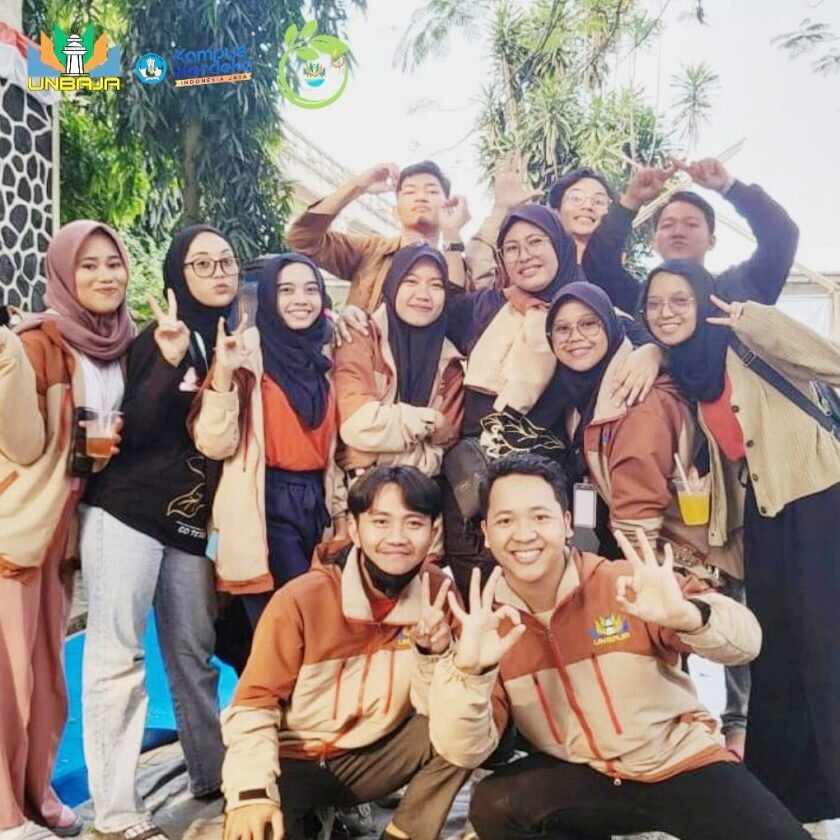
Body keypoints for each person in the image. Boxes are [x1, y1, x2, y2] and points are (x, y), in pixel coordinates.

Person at [427, 454, 811, 840]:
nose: (524, 534)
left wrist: (687, 615)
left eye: (540, 517)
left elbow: (746, 642)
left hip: (680, 764)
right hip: (586, 776)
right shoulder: (487, 626)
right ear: (486, 532)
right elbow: (463, 750)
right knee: (494, 804)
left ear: (566, 523)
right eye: (505, 520)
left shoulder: (625, 583)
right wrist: (470, 673)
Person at [640, 259, 840, 827]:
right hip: (767, 517)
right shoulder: (690, 368)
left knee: (827, 650)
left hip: (819, 498)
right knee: (775, 656)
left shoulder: (747, 337)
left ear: (705, 301)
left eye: (680, 299)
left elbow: (831, 361)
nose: (666, 312)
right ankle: (791, 806)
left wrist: (757, 320)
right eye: (655, 303)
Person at [80, 225, 238, 840]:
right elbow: (134, 431)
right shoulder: (162, 337)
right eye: (202, 264)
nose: (218, 273)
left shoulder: (232, 340)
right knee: (118, 657)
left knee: (193, 651)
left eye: (226, 261)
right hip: (128, 512)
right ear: (179, 275)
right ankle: (116, 814)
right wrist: (168, 361)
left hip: (188, 521)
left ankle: (212, 773)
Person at [220, 466, 471, 840]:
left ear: (434, 532)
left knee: (467, 725)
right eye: (380, 522)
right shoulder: (302, 599)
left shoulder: (439, 595)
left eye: (414, 523)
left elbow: (447, 708)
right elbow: (254, 703)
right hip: (295, 762)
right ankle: (315, 815)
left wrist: (434, 654)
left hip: (376, 756)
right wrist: (251, 792)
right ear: (354, 528)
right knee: (256, 825)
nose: (397, 538)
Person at [0, 221, 134, 840]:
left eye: (113, 263)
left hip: (69, 530)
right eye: (88, 265)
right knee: (9, 675)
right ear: (62, 274)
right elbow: (24, 446)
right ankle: (5, 812)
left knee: (48, 674)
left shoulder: (123, 342)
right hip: (20, 525)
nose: (105, 276)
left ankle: (36, 793)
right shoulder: (36, 344)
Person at [543, 281, 742, 573]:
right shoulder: (581, 395)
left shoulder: (636, 402)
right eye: (562, 329)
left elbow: (638, 522)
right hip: (639, 547)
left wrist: (637, 583)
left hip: (676, 564)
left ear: (610, 326)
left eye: (589, 324)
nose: (575, 337)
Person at [190, 253, 346, 627]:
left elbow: (332, 453)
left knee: (311, 622)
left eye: (310, 290)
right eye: (286, 290)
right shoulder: (246, 353)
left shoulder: (325, 359)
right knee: (292, 623)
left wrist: (340, 512)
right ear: (269, 297)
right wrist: (224, 377)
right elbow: (213, 443)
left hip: (315, 505)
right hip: (265, 502)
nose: (300, 300)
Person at [334, 244, 464, 479]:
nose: (423, 294)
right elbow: (357, 426)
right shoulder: (360, 337)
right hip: (355, 491)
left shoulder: (451, 364)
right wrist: (431, 420)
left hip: (420, 495)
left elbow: (440, 453)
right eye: (411, 281)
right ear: (393, 284)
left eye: (436, 285)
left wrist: (379, 457)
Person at [286, 160, 472, 309]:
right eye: (410, 191)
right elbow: (303, 239)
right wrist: (358, 186)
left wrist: (452, 233)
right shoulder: (371, 251)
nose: (421, 197)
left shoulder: (459, 266)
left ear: (449, 207)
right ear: (395, 212)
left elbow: (455, 310)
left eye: (431, 191)